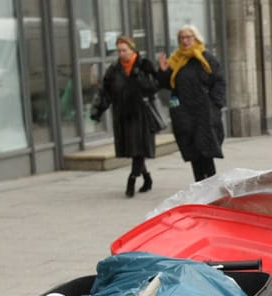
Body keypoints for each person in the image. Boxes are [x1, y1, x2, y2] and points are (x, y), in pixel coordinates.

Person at [90, 36, 160, 197]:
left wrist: (139, 78)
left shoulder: (144, 65)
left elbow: (154, 87)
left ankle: (132, 179)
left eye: (125, 50)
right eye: (119, 50)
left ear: (132, 50)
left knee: (139, 149)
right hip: (123, 115)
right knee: (134, 149)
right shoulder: (114, 69)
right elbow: (105, 91)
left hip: (142, 114)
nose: (122, 54)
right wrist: (97, 110)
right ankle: (147, 178)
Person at [155, 24, 226, 182]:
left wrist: (215, 105)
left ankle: (212, 188)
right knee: (193, 152)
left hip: (204, 112)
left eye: (188, 37)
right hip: (185, 113)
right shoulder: (176, 60)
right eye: (182, 38)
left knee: (206, 152)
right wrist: (163, 71)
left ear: (196, 38)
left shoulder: (206, 58)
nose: (185, 41)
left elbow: (219, 82)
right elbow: (167, 85)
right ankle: (199, 186)